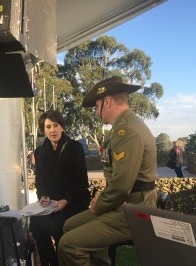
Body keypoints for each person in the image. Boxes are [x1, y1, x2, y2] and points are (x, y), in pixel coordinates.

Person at [57, 76, 158, 266]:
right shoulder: (124, 126)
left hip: (133, 210)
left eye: (97, 106)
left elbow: (120, 186)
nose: (96, 112)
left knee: (69, 245)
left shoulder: (126, 130)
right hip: (127, 203)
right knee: (70, 225)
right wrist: (101, 200)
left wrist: (99, 204)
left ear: (108, 101)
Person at [29, 109, 91, 266]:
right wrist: (42, 197)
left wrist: (66, 200)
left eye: (55, 125)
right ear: (43, 130)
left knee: (57, 226)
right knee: (35, 224)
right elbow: (40, 181)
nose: (52, 130)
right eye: (48, 127)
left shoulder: (75, 148)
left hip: (74, 202)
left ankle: (62, 260)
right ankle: (50, 261)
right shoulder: (40, 152)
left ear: (62, 127)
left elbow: (81, 182)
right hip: (51, 204)